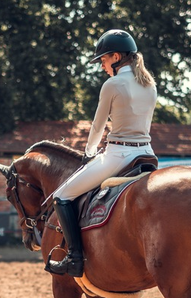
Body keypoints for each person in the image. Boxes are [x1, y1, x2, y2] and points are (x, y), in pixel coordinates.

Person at [46, 29, 157, 277]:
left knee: (61, 196)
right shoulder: (150, 85)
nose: (102, 66)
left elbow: (98, 125)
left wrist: (89, 152)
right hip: (147, 155)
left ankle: (74, 258)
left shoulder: (113, 84)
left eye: (104, 60)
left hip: (118, 156)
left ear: (116, 57)